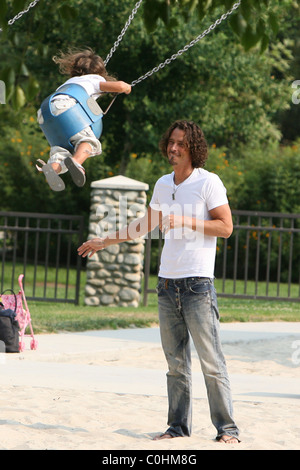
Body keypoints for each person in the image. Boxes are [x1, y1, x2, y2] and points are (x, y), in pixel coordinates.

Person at [77, 120, 240, 444]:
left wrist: (185, 221)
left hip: (197, 285)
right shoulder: (164, 184)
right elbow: (143, 225)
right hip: (166, 285)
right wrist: (105, 241)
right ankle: (177, 427)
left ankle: (228, 430)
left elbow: (226, 227)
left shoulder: (209, 182)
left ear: (193, 147)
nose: (173, 148)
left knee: (211, 362)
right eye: (171, 142)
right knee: (175, 364)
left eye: (180, 143)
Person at [36, 48, 131, 191]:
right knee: (88, 141)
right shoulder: (94, 79)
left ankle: (53, 168)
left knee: (61, 149)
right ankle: (76, 162)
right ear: (98, 72)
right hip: (67, 107)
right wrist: (127, 88)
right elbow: (120, 86)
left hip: (45, 112)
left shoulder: (70, 82)